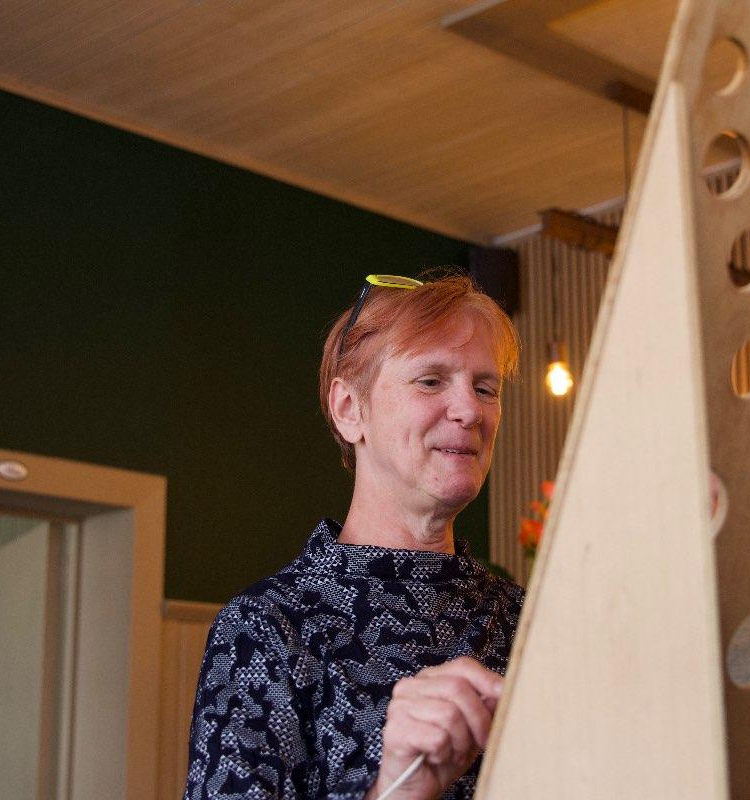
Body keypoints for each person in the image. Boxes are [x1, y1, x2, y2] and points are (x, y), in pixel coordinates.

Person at [183, 271, 524, 800]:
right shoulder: (267, 627)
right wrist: (398, 788)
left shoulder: (525, 620)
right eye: (430, 381)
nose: (470, 410)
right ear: (348, 410)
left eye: (486, 389)